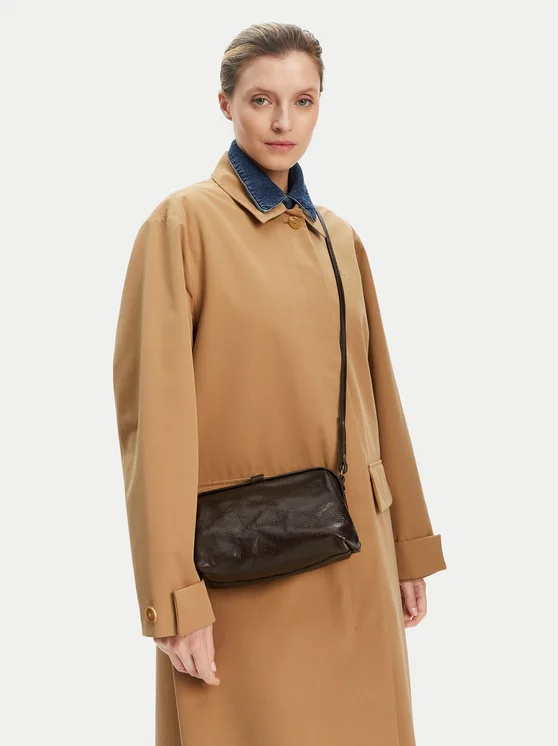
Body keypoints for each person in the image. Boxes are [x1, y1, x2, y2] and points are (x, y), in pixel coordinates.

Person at [112, 21, 447, 746]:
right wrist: (174, 599)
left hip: (357, 558)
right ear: (225, 104)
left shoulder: (339, 238)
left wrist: (409, 545)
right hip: (241, 568)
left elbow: (379, 399)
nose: (283, 122)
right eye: (261, 100)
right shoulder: (182, 226)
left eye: (304, 101)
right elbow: (154, 426)